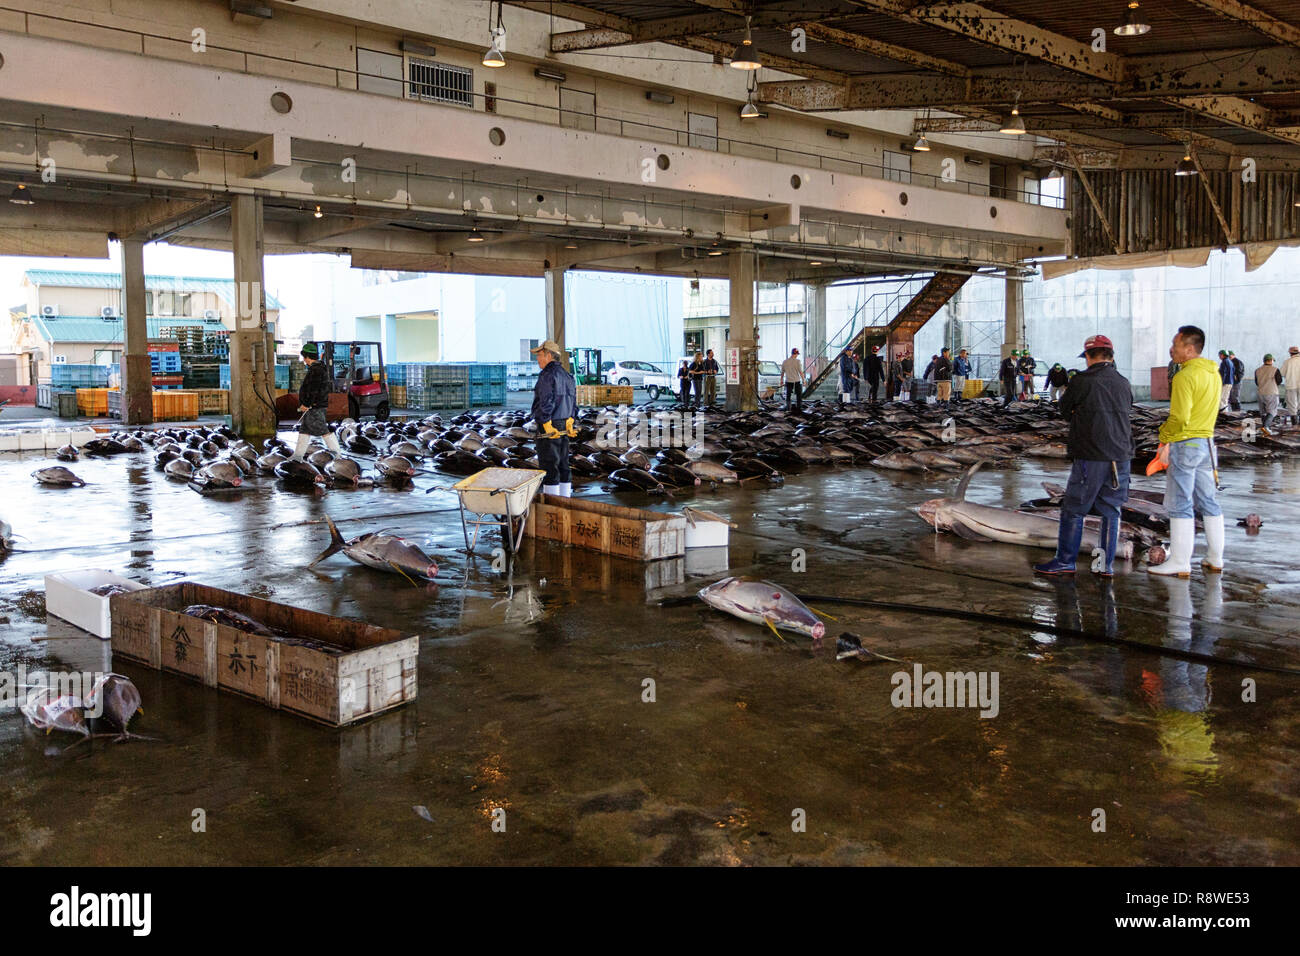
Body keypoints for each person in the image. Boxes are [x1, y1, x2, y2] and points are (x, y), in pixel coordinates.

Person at [1034, 335, 1133, 577]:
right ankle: (1103, 566)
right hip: (1120, 455)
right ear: (1111, 356)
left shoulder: (1082, 380)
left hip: (1092, 454)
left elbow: (1065, 410)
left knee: (1074, 509)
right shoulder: (1123, 381)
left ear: (1089, 356)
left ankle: (1066, 560)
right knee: (1110, 511)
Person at [1150, 325, 1224, 577]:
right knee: (1208, 500)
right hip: (1206, 444)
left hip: (1185, 442)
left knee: (1180, 502)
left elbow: (1179, 418)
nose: (1172, 349)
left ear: (1189, 349)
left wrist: (1163, 436)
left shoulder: (1184, 376)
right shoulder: (1213, 373)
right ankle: (1215, 558)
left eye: (1176, 344)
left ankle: (1180, 561)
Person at [530, 339, 577, 498]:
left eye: (540, 355)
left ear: (549, 355)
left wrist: (545, 422)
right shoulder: (567, 375)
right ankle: (565, 501)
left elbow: (546, 400)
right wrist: (571, 419)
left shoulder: (547, 375)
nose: (538, 359)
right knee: (564, 465)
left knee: (549, 467)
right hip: (564, 425)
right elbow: (573, 401)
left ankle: (553, 505)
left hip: (549, 425)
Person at [290, 343, 344, 460]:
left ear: (307, 357)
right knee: (304, 429)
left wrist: (307, 404)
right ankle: (298, 456)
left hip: (315, 406)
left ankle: (338, 454)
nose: (304, 361)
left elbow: (313, 389)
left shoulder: (316, 370)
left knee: (323, 430)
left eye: (305, 358)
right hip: (314, 405)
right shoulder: (317, 368)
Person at [1255, 354, 1283, 433]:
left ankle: (1264, 430)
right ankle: (1265, 427)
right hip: (1271, 392)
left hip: (1260, 393)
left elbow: (1256, 382)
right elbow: (1279, 381)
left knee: (1263, 412)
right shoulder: (1275, 369)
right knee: (1272, 412)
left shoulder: (1257, 370)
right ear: (1271, 360)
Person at [1283, 345, 1300, 426]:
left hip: (1291, 385)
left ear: (1290, 353)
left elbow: (1282, 373)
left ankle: (1295, 425)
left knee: (1292, 405)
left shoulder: (1287, 362)